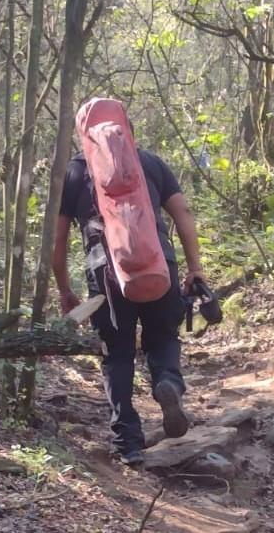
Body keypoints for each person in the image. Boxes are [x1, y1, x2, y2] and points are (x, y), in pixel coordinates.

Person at [53, 125, 207, 466]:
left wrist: (65, 290)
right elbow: (183, 213)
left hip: (106, 275)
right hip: (158, 265)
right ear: (129, 132)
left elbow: (58, 239)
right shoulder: (150, 162)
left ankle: (129, 444)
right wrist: (195, 267)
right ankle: (167, 382)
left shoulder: (76, 171)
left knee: (118, 354)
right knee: (163, 336)